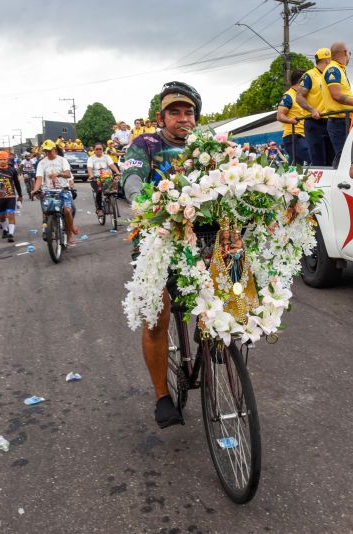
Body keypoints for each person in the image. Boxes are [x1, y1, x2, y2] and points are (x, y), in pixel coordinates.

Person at [122, 81, 202, 428]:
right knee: (157, 320)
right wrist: (143, 201)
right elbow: (132, 179)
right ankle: (162, 396)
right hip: (155, 239)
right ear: (161, 116)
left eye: (189, 112)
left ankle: (218, 343)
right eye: (175, 112)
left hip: (199, 238)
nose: (182, 118)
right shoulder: (145, 144)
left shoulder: (206, 146)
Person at [322, 42, 353, 164]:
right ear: (345, 52)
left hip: (344, 120)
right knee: (343, 157)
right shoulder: (333, 69)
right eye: (349, 53)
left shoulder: (339, 69)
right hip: (338, 121)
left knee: (346, 156)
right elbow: (336, 94)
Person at [32, 139, 78, 246]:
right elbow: (39, 178)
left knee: (67, 210)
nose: (48, 153)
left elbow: (67, 174)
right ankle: (47, 229)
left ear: (54, 149)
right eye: (45, 151)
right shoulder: (42, 163)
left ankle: (69, 233)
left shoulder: (62, 160)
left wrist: (58, 174)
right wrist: (35, 189)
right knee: (46, 211)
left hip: (63, 190)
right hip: (48, 191)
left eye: (49, 150)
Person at [297, 48, 331, 166]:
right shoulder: (310, 75)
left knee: (333, 160)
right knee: (319, 160)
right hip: (315, 122)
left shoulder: (331, 75)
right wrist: (312, 110)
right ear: (327, 59)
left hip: (331, 121)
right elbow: (299, 96)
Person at [276, 69, 314, 165]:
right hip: (294, 137)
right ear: (300, 81)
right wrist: (290, 121)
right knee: (314, 158)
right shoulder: (288, 96)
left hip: (304, 137)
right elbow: (279, 115)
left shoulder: (303, 96)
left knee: (294, 169)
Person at [0, 151, 23, 242]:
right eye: (1, 159)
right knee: (2, 217)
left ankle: (11, 234)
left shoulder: (12, 170)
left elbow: (17, 183)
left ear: (7, 160)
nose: (2, 161)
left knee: (11, 214)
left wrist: (20, 195)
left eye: (4, 159)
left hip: (10, 196)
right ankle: (5, 229)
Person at [87, 142, 120, 216]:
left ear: (103, 149)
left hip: (107, 177)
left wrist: (117, 172)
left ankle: (110, 201)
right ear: (94, 150)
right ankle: (99, 209)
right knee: (98, 192)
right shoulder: (91, 158)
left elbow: (111, 165)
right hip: (96, 178)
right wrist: (91, 175)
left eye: (100, 149)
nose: (99, 150)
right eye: (97, 149)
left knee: (113, 190)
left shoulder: (107, 157)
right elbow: (89, 168)